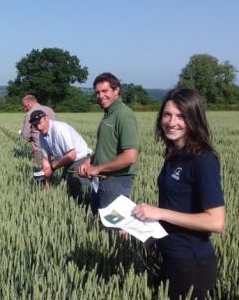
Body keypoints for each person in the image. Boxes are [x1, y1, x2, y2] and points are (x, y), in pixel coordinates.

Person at [132, 88, 225, 300]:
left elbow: (216, 222)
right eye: (167, 114)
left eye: (181, 116)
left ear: (194, 119)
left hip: (191, 263)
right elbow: (176, 205)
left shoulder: (203, 160)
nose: (172, 122)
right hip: (170, 254)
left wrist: (159, 213)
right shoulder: (174, 155)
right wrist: (153, 234)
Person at [78, 72, 138, 213]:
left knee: (110, 228)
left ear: (116, 90)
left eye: (105, 91)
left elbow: (130, 156)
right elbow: (105, 148)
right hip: (101, 180)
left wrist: (98, 168)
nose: (100, 96)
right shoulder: (109, 113)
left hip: (115, 181)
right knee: (98, 224)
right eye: (97, 92)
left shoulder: (123, 114)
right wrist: (89, 161)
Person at [29, 110, 92, 201]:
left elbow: (71, 155)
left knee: (79, 192)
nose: (38, 127)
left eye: (40, 122)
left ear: (47, 118)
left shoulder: (59, 129)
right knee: (64, 187)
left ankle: (88, 208)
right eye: (35, 125)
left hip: (81, 160)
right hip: (67, 162)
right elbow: (46, 158)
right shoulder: (42, 136)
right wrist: (47, 181)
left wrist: (53, 167)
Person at [20, 94, 55, 171]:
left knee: (40, 173)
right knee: (52, 171)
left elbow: (26, 135)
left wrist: (22, 134)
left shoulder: (30, 114)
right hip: (53, 148)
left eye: (25, 106)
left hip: (39, 149)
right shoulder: (49, 110)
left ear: (30, 104)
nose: (24, 108)